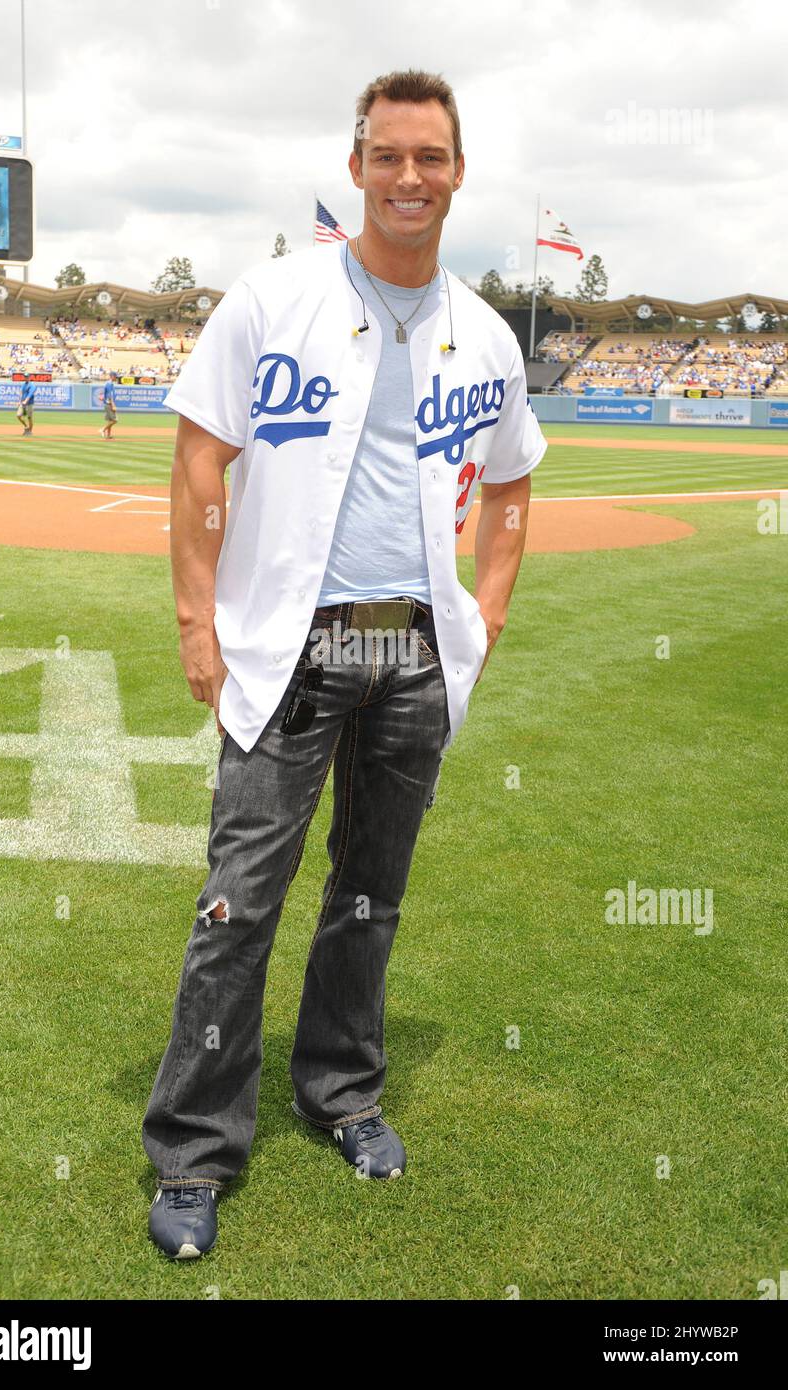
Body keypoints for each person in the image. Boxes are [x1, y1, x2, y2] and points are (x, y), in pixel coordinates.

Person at [142, 67, 546, 1261]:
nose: (408, 177)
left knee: (369, 896)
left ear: (457, 170)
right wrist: (192, 622)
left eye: (430, 157)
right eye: (387, 155)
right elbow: (198, 460)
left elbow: (514, 482)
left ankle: (342, 1093)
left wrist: (488, 611)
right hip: (294, 643)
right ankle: (192, 1151)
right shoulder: (273, 298)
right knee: (237, 902)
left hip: (411, 648)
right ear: (357, 163)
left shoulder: (482, 332)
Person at [100, 372, 118, 438]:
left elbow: (105, 393)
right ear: (112, 376)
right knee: (115, 420)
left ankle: (108, 435)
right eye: (115, 376)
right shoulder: (109, 384)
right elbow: (110, 396)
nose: (116, 378)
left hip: (107, 403)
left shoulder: (109, 384)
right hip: (109, 404)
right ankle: (103, 430)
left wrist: (102, 397)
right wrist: (113, 405)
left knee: (110, 420)